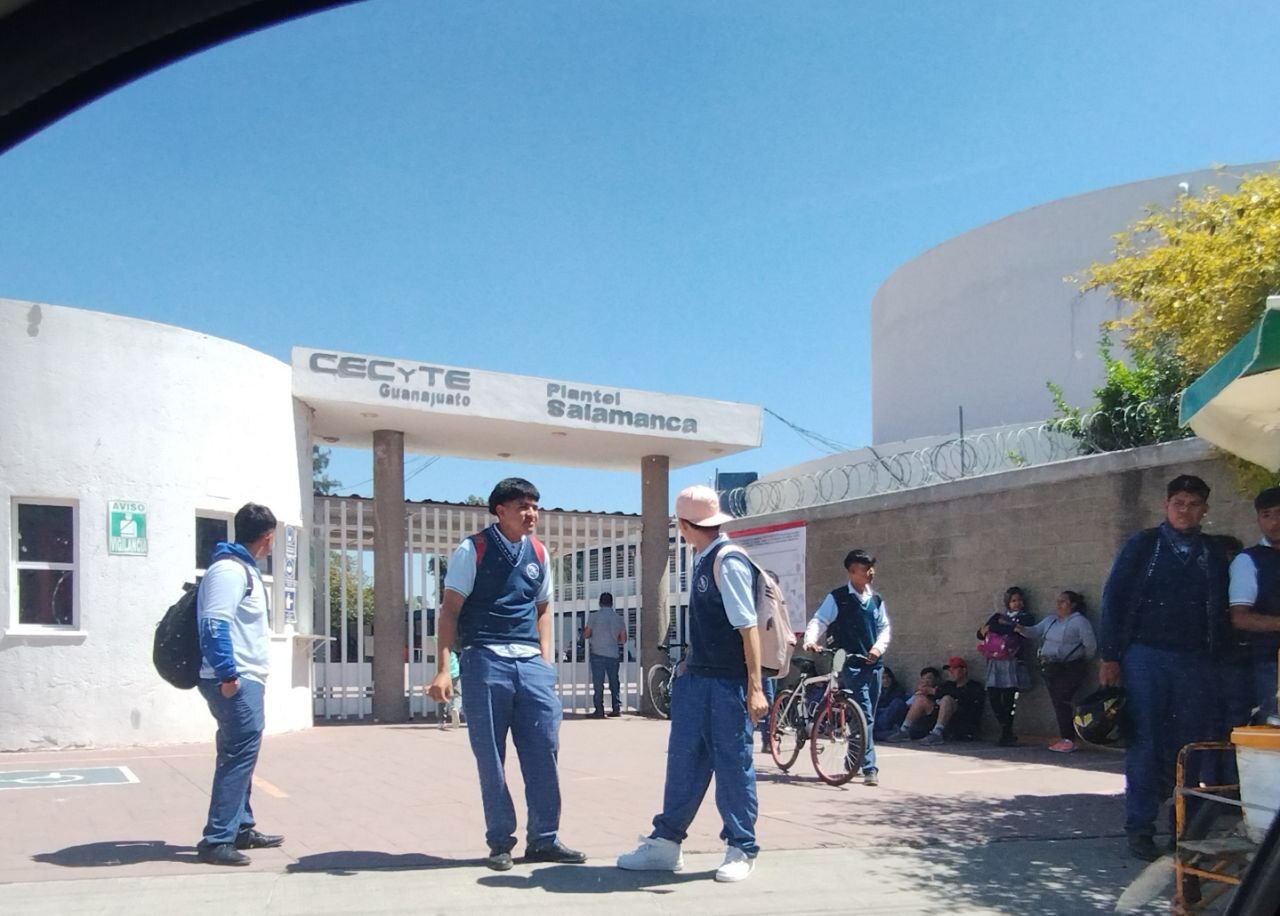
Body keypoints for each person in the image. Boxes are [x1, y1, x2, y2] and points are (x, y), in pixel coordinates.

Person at [427, 478, 585, 872]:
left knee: (545, 751)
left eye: (535, 505)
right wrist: (444, 669)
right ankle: (500, 841)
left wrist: (545, 663)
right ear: (500, 510)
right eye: (522, 506)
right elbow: (449, 611)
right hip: (485, 660)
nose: (531, 513)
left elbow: (543, 608)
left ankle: (544, 839)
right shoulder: (473, 549)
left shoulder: (539, 552)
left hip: (530, 664)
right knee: (491, 758)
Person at [617, 485, 769, 883]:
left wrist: (755, 687)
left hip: (727, 683)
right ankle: (667, 844)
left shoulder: (727, 560)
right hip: (698, 680)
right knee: (684, 763)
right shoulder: (703, 557)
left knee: (732, 763)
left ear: (683, 524)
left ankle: (741, 846)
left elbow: (747, 627)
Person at [1099, 473, 1229, 862]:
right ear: (1166, 506)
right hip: (1145, 658)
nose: (1185, 511)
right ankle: (1140, 828)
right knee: (1144, 743)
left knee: (1187, 748)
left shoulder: (1213, 553)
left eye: (1193, 504)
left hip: (1195, 662)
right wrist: (1110, 657)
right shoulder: (1144, 545)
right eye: (1178, 503)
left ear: (1205, 509)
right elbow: (1114, 598)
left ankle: (1181, 829)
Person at [194, 502, 283, 866]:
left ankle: (240, 827)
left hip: (243, 678)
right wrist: (229, 675)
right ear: (268, 537)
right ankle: (217, 839)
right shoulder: (230, 572)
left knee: (242, 754)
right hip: (234, 679)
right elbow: (214, 625)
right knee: (237, 756)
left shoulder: (241, 569)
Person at [802, 549, 892, 786]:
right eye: (865, 568)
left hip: (873, 664)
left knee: (863, 715)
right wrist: (811, 640)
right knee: (865, 713)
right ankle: (869, 767)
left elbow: (884, 628)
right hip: (850, 664)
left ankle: (853, 760)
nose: (870, 572)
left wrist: (877, 649)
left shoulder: (876, 600)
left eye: (871, 567)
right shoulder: (838, 597)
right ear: (852, 572)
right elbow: (820, 620)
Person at [1018, 590, 1097, 753]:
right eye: (1058, 601)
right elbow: (1033, 632)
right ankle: (1066, 737)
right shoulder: (1051, 620)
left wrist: (1079, 661)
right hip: (1051, 667)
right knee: (1058, 702)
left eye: (1063, 602)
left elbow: (1090, 646)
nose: (1058, 605)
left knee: (1063, 700)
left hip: (1070, 666)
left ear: (1073, 605)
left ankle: (1069, 739)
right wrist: (1018, 628)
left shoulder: (1080, 622)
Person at [1228, 487, 1280, 725]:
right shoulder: (1249, 561)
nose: (1274, 522)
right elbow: (1239, 618)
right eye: (1267, 515)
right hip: (1271, 665)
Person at [977, 586, 1035, 747]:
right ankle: (1005, 728)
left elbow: (1019, 631)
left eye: (1019, 600)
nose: (1017, 604)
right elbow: (982, 632)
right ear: (1007, 603)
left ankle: (1006, 733)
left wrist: (1003, 627)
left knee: (1009, 698)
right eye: (1013, 600)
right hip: (995, 660)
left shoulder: (1026, 617)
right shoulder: (999, 616)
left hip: (1011, 660)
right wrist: (1006, 626)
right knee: (994, 695)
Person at [582, 591, 627, 718]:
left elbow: (586, 634)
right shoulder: (618, 618)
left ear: (600, 603)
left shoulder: (593, 617)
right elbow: (623, 639)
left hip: (597, 653)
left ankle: (599, 710)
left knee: (598, 684)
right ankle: (616, 708)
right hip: (613, 654)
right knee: (614, 683)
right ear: (612, 603)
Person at [883, 667, 943, 741]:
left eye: (929, 678)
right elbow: (906, 706)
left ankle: (903, 731)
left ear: (936, 680)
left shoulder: (941, 690)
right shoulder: (918, 694)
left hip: (928, 721)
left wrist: (930, 692)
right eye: (923, 679)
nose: (925, 681)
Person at [873, 666, 908, 741]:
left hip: (887, 719)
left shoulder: (898, 690)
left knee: (898, 702)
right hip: (877, 718)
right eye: (883, 678)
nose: (886, 680)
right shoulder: (874, 691)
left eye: (888, 677)